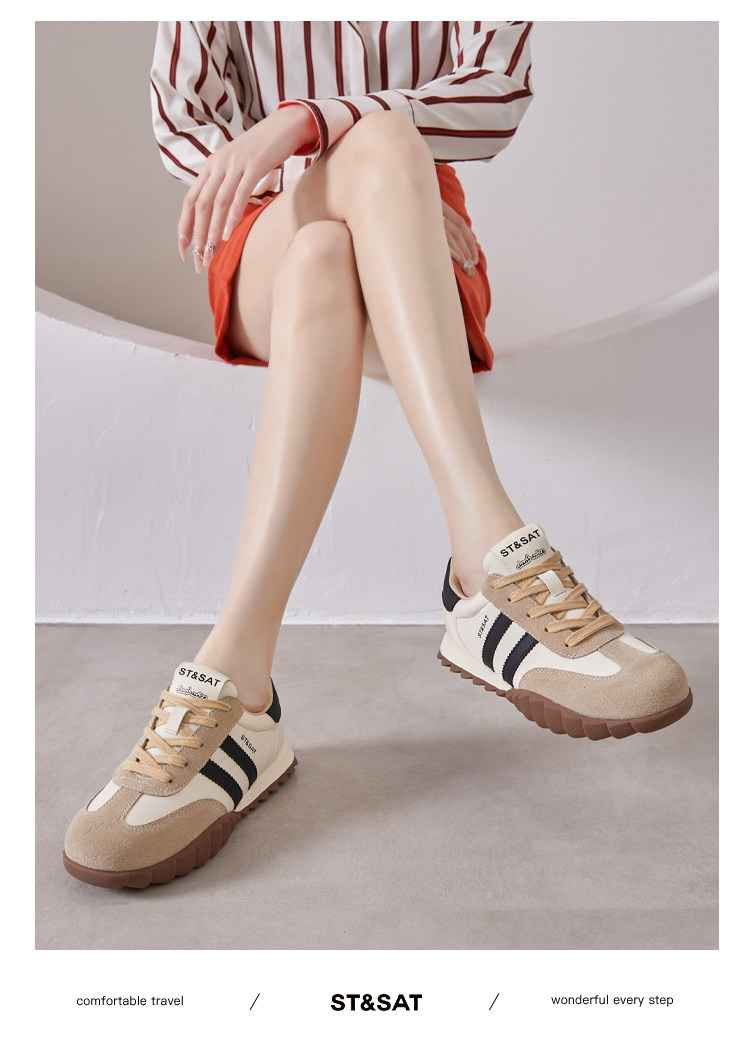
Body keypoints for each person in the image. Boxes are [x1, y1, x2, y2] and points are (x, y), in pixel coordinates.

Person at [63, 21, 692, 889]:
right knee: (359, 176)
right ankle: (486, 566)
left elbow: (500, 88)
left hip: (418, 240)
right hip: (270, 228)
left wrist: (321, 131)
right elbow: (183, 118)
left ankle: (238, 683)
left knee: (356, 203)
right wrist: (329, 162)